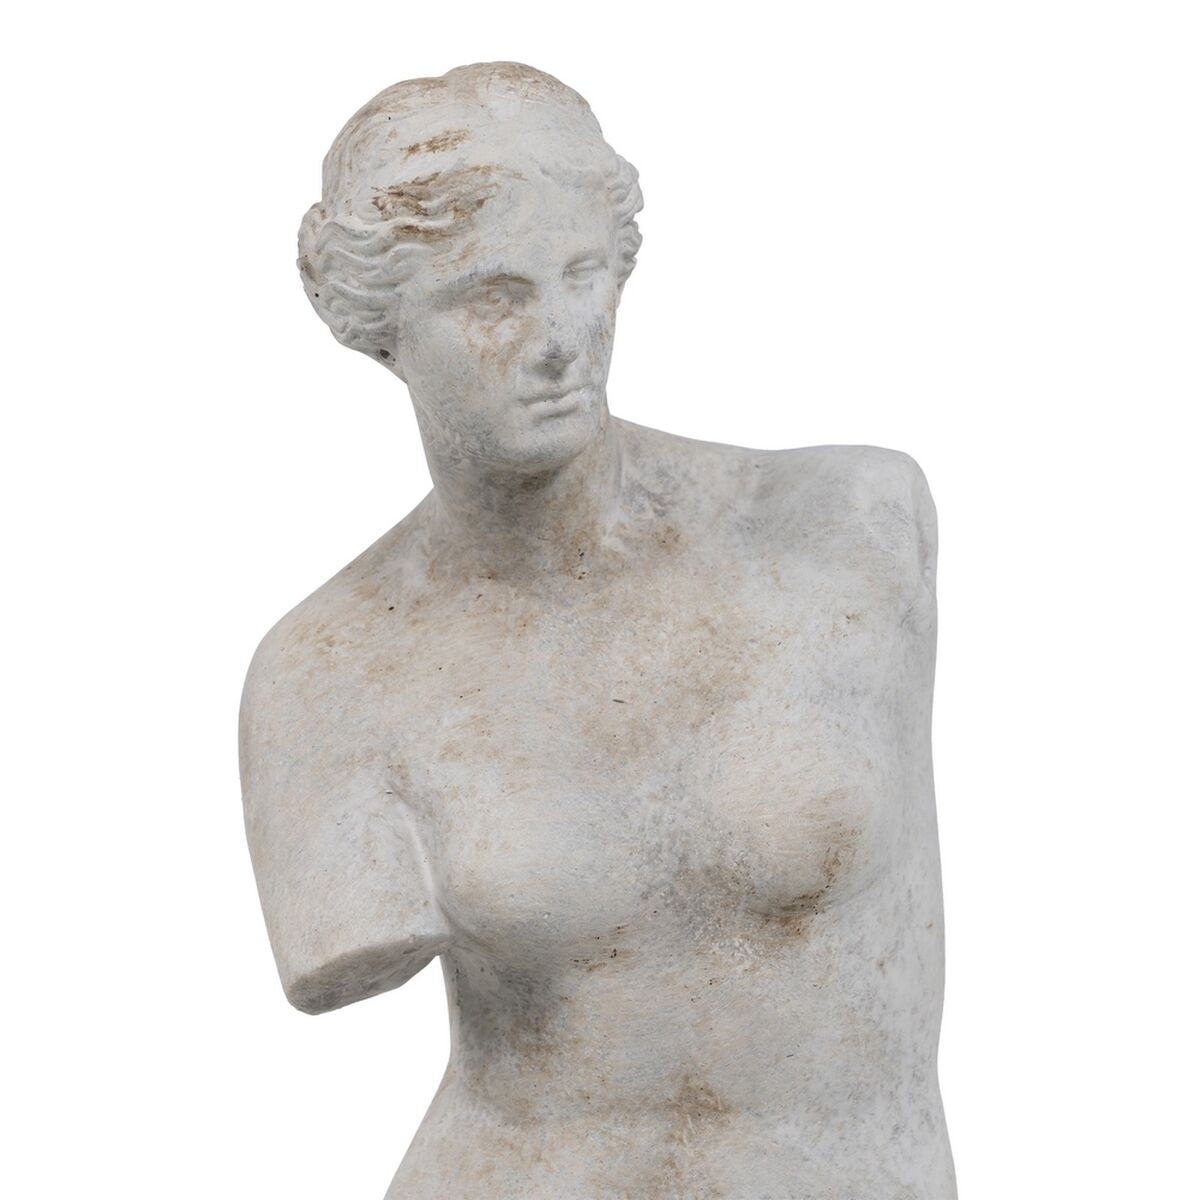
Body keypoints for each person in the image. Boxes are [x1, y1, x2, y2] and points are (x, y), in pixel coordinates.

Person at [241, 61, 955, 1199]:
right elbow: (339, 951)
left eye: (582, 275)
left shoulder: (845, 526)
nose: (560, 336)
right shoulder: (330, 670)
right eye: (492, 297)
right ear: (377, 324)